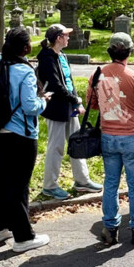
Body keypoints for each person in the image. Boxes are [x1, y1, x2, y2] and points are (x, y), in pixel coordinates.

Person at [0, 28, 51, 251]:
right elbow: (30, 106)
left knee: (1, 180)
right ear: (25, 48)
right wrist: (44, 101)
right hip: (21, 134)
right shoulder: (24, 71)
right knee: (19, 185)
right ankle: (23, 237)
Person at [91, 32, 134, 246]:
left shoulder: (97, 74)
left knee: (111, 183)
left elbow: (92, 104)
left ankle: (110, 227)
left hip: (108, 134)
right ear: (129, 52)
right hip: (131, 135)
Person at [35, 23, 102, 199]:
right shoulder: (47, 58)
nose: (69, 37)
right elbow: (56, 85)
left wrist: (75, 103)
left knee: (77, 142)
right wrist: (75, 99)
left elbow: (68, 82)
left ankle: (82, 181)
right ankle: (49, 186)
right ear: (58, 38)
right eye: (66, 35)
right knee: (56, 147)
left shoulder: (62, 56)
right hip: (55, 108)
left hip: (68, 106)